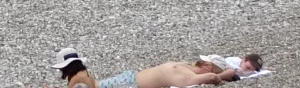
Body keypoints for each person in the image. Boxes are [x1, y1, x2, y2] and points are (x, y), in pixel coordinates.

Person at [94, 59, 238, 88]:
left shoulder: (188, 77)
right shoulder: (186, 66)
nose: (201, 61)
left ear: (207, 67)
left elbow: (212, 78)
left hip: (131, 84)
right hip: (130, 77)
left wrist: (224, 75)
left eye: (206, 62)